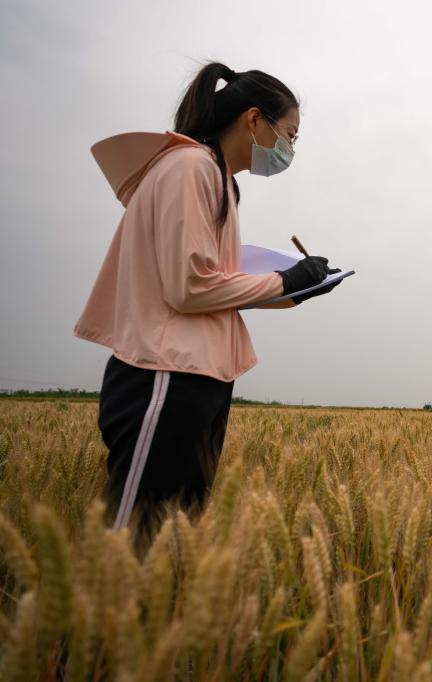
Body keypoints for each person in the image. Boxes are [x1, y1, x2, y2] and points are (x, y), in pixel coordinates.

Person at [74, 62, 338, 546]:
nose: (290, 149)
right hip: (165, 373)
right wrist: (284, 280)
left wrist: (297, 290)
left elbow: (214, 286)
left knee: (174, 538)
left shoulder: (218, 180)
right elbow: (190, 288)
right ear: (254, 119)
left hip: (197, 376)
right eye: (290, 135)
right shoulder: (190, 167)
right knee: (134, 540)